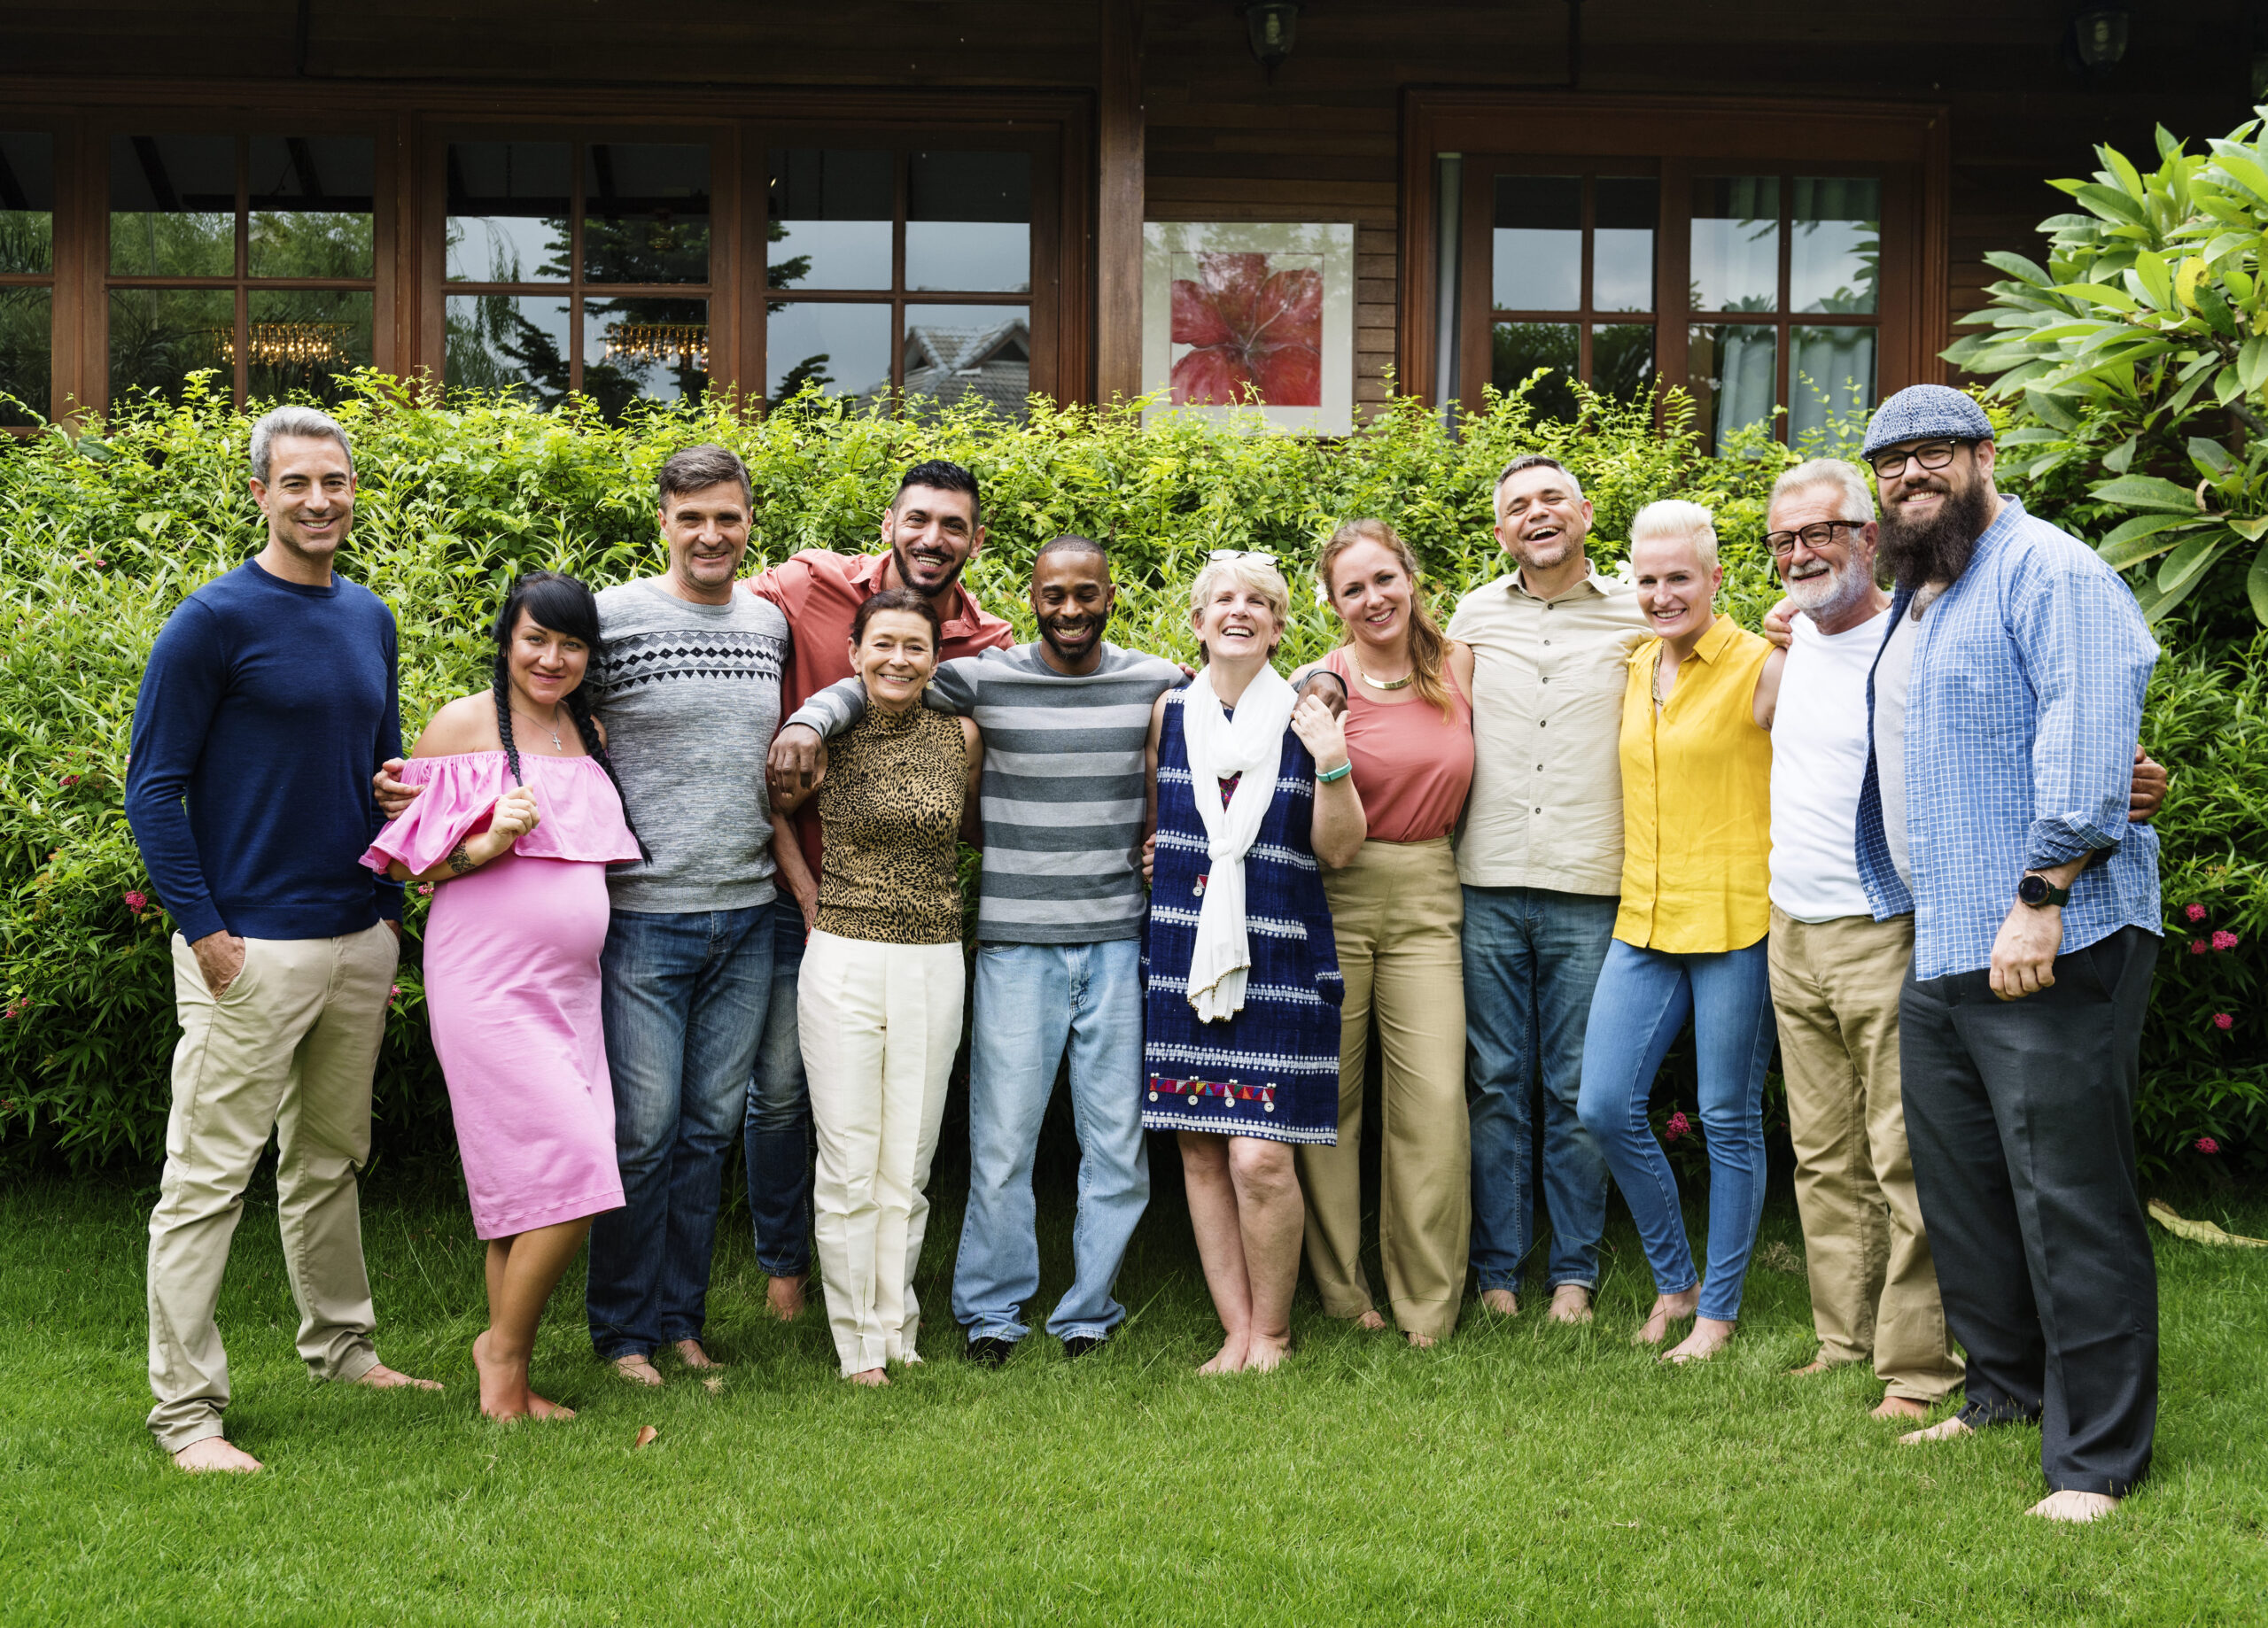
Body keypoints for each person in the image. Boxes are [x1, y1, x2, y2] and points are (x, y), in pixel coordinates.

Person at [377, 443, 799, 1388]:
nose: (710, 533)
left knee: (703, 1136)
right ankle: (622, 1334)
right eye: (691, 516)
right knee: (640, 1137)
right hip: (641, 920)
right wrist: (417, 793)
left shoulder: (770, 625)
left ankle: (680, 1323)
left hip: (742, 910)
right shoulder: (608, 620)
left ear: (747, 522)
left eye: (727, 516)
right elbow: (520, 702)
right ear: (662, 520)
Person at [1852, 385, 2162, 1523]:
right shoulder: (1924, 593)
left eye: (1932, 454)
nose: (1909, 475)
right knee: (1969, 1189)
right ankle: (2005, 1391)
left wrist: (2042, 892)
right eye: (1889, 462)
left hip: (2050, 932)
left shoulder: (2053, 572)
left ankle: (2094, 1459)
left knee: (2067, 1193)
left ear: (1985, 457)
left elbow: (2088, 736)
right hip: (1945, 938)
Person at [777, 536, 1183, 1366]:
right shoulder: (982, 677)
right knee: (1002, 1143)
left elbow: (1238, 701)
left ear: (1111, 595)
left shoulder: (1157, 682)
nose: (1071, 609)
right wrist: (808, 717)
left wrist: (1170, 837)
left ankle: (1088, 1310)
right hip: (1014, 944)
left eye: (1087, 593)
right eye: (1053, 595)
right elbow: (875, 683)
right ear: (1028, 600)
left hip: (1116, 943)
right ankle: (992, 1311)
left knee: (1117, 1145)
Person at [125, 405, 439, 1474]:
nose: (319, 500)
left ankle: (343, 1347)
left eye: (336, 481)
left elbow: (380, 767)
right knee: (207, 1177)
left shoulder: (368, 616)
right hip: (249, 946)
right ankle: (187, 1413)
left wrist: (389, 902)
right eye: (297, 481)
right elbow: (154, 788)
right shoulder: (211, 620)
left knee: (327, 1159)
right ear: (258, 491)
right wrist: (206, 932)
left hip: (354, 935)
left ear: (354, 491)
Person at [361, 572, 642, 1421]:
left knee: (526, 1185)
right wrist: (487, 840)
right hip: (487, 980)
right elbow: (414, 867)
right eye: (535, 640)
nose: (551, 659)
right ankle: (500, 1353)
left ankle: (510, 1387)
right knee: (586, 1167)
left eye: (570, 644)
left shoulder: (580, 728)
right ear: (507, 640)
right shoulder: (462, 722)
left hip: (570, 989)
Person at [750, 460, 1014, 1322]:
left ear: (974, 539)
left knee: (900, 1126)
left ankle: (879, 1304)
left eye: (953, 525)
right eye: (920, 518)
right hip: (808, 892)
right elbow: (704, 605)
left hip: (910, 921)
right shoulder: (807, 585)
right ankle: (789, 1269)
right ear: (890, 521)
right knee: (789, 1094)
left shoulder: (986, 643)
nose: (933, 537)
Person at [1141, 552, 1365, 1374]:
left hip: (1283, 949)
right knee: (1201, 1146)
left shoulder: (1308, 718)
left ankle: (1272, 1332)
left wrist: (1334, 757)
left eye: (1259, 602)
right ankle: (1234, 1330)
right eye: (1222, 601)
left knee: (1259, 1153)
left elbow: (1340, 850)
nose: (1240, 611)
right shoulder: (1169, 715)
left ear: (1277, 628)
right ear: (1197, 625)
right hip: (1184, 946)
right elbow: (1153, 817)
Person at [1574, 500, 1775, 1364]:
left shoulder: (1765, 665)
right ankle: (1676, 1279)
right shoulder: (1632, 664)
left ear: (1715, 576)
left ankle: (1717, 1311)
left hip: (1736, 918)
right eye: (1647, 579)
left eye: (1678, 578)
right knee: (1601, 1105)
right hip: (1644, 917)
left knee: (1728, 1116)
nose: (1662, 595)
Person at [1448, 455, 1646, 1325]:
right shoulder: (1472, 613)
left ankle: (1572, 1270)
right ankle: (1495, 1267)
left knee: (1574, 1084)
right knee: (1493, 1079)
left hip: (1588, 877)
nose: (1536, 513)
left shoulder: (1640, 610)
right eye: (1516, 506)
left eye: (1551, 498)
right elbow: (1428, 711)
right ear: (1499, 531)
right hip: (1484, 877)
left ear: (1585, 513)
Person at [770, 590, 983, 1384]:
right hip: (846, 958)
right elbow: (775, 811)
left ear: (935, 660)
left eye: (916, 647)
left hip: (935, 957)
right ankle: (856, 1343)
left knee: (911, 1160)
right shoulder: (828, 734)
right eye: (883, 645)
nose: (899, 660)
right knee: (851, 1157)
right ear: (854, 653)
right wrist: (805, 894)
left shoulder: (959, 735)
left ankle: (898, 1327)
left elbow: (975, 827)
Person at [1289, 519, 1475, 1349]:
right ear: (1333, 605)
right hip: (1335, 889)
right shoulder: (1322, 682)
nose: (1373, 600)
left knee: (1434, 1098)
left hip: (1430, 891)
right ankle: (1339, 1289)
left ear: (1410, 577)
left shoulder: (1458, 664)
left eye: (1384, 580)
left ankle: (1428, 1302)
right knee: (1332, 1096)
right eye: (1352, 590)